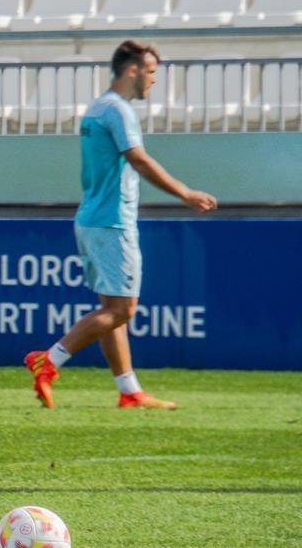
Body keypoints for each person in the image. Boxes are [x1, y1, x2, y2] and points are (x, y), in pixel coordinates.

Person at [25, 40, 218, 410]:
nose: (153, 81)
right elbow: (139, 160)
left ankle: (129, 390)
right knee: (122, 310)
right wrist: (186, 193)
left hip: (93, 218)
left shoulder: (96, 108)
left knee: (112, 309)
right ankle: (48, 360)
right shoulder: (118, 111)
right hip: (113, 221)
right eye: (150, 72)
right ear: (132, 70)